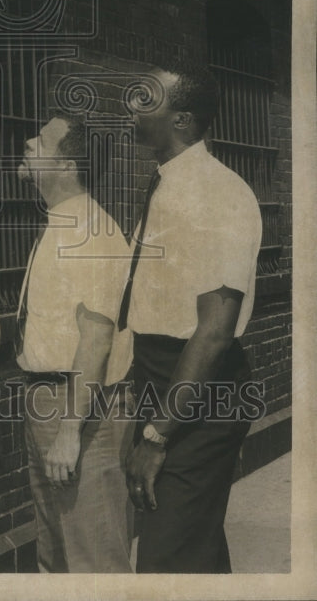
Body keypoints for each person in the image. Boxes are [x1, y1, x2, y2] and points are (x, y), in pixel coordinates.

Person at [123, 62, 263, 573]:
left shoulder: (217, 193)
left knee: (167, 558)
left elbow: (214, 330)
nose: (132, 105)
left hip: (200, 393)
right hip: (163, 380)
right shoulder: (169, 183)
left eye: (147, 98)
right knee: (193, 546)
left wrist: (158, 435)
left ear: (181, 119)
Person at [16, 111, 134, 573]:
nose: (28, 142)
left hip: (83, 413)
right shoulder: (61, 222)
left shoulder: (92, 231)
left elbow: (97, 338)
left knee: (95, 561)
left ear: (67, 166)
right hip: (51, 402)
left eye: (41, 141)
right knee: (57, 558)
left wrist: (68, 431)